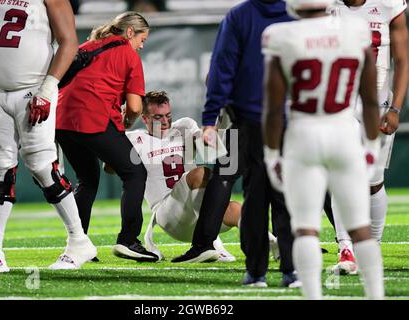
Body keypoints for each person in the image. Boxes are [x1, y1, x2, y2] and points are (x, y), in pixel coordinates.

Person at [0, 0, 96, 272]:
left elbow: (69, 41)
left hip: (33, 89)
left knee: (43, 167)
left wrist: (47, 89)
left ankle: (79, 240)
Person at [171, 0, 299, 288]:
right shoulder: (299, 14)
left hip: (249, 120)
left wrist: (209, 117)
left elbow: (221, 68)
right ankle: (291, 269)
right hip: (288, 120)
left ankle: (256, 271)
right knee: (285, 195)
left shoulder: (240, 16)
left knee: (252, 194)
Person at [262, 0, 384, 299]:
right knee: (361, 229)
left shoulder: (280, 35)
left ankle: (314, 297)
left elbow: (273, 108)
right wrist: (371, 145)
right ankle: (376, 295)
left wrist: (271, 155)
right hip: (343, 131)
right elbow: (370, 100)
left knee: (305, 229)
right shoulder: (355, 30)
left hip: (303, 135)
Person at [104, 90, 281, 262]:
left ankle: (272, 245)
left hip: (196, 212)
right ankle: (208, 243)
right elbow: (109, 168)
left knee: (235, 208)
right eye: (158, 117)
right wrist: (119, 130)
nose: (165, 121)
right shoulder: (135, 138)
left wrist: (222, 119)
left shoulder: (184, 127)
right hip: (168, 214)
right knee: (200, 173)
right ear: (144, 118)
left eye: (168, 115)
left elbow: (212, 149)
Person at [55, 12, 159, 262]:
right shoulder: (128, 54)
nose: (142, 46)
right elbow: (135, 107)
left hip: (62, 120)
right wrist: (124, 124)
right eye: (142, 39)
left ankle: (79, 243)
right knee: (135, 172)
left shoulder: (87, 45)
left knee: (87, 179)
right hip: (93, 118)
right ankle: (128, 241)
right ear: (130, 32)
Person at [327, 0, 409, 275]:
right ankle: (346, 247)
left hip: (377, 102)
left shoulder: (388, 4)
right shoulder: (326, 5)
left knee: (373, 182)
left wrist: (396, 108)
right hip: (339, 101)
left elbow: (402, 59)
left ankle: (371, 248)